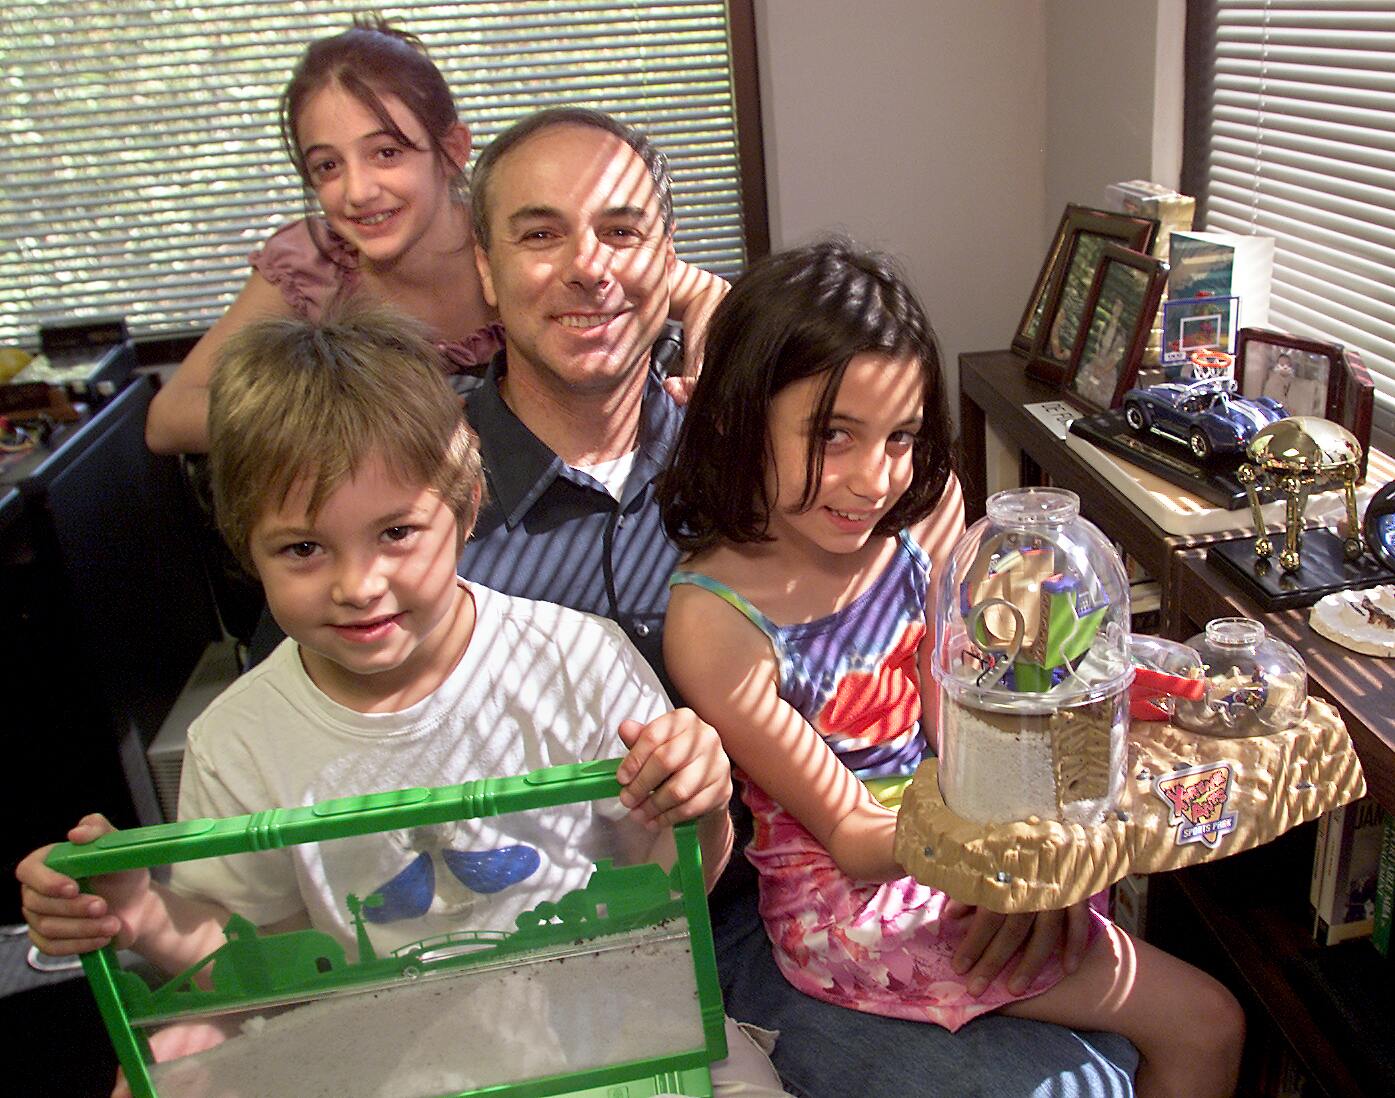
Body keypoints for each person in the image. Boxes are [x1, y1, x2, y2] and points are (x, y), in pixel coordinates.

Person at [459, 107, 1147, 1096]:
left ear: (666, 260)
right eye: (539, 233)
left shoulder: (769, 440)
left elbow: (968, 684)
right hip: (629, 938)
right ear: (483, 267)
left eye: (621, 232)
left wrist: (1035, 862)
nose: (588, 267)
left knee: (1115, 1055)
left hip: (855, 877)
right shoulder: (422, 509)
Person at [18, 303, 785, 1096]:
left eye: (395, 534)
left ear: (463, 508)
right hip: (387, 1064)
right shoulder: (237, 739)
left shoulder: (579, 659)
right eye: (304, 548)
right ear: (246, 548)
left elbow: (667, 890)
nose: (358, 586)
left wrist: (699, 807)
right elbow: (262, 968)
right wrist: (141, 912)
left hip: (604, 1026)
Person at [658, 238, 1246, 1098]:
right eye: (832, 435)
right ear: (739, 417)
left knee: (1202, 1018)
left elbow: (961, 716)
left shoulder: (924, 511)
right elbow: (853, 838)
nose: (873, 480)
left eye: (899, 437)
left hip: (965, 841)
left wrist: (1046, 844)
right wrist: (1017, 846)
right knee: (1206, 1022)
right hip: (855, 906)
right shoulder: (713, 622)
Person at [144, 16, 725, 456]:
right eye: (327, 166)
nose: (358, 191)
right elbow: (169, 418)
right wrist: (360, 416)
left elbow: (702, 291)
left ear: (451, 150)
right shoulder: (311, 266)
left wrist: (701, 367)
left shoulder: (523, 243)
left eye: (386, 153)